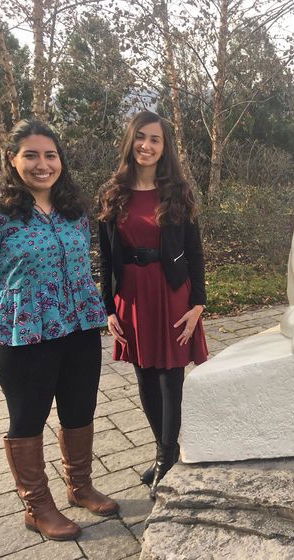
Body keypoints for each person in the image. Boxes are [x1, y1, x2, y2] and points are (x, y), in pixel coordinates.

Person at [0, 120, 118, 541]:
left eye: (51, 155)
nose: (43, 164)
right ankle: (37, 507)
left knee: (80, 409)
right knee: (28, 418)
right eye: (32, 155)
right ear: (12, 159)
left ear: (61, 159)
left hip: (78, 326)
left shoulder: (73, 212)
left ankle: (79, 486)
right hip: (22, 335)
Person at [98, 110, 207, 499]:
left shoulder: (177, 191)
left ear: (165, 147)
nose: (147, 145)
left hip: (172, 292)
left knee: (169, 378)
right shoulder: (113, 192)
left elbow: (194, 252)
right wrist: (108, 308)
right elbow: (106, 258)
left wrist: (198, 303)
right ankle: (167, 451)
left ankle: (165, 457)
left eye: (155, 139)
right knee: (144, 374)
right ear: (131, 141)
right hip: (132, 295)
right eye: (141, 137)